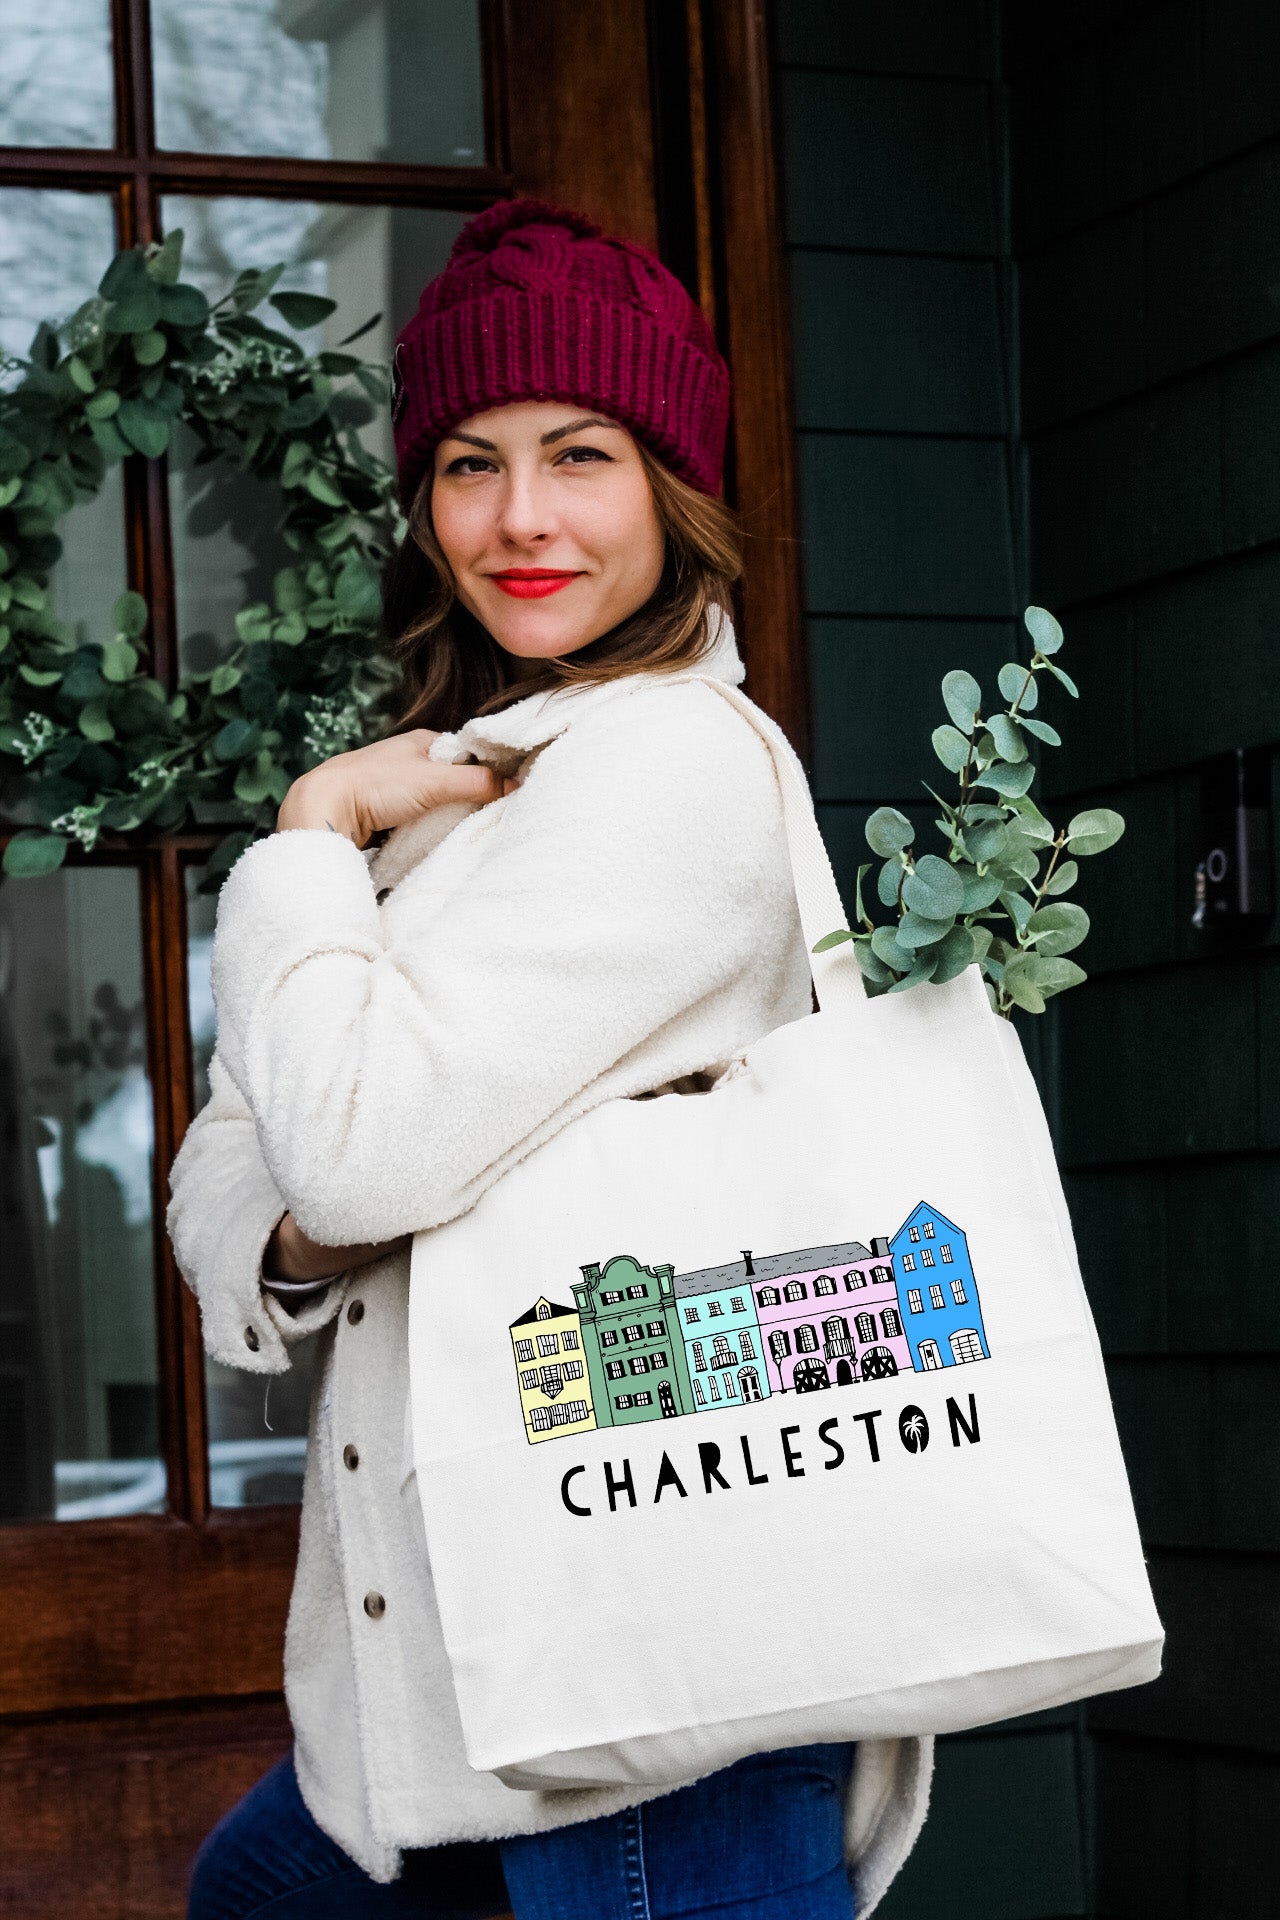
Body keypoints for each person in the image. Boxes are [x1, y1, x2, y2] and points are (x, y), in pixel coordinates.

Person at [171, 199, 932, 1920]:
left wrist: (304, 836)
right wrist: (311, 1203)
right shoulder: (465, 789)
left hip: (653, 1673)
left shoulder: (663, 767)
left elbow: (348, 1152)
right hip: (452, 1681)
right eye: (466, 462)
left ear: (672, 485)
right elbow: (238, 1172)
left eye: (578, 454)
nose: (518, 519)